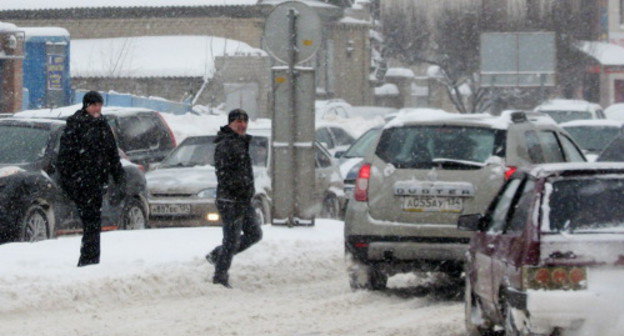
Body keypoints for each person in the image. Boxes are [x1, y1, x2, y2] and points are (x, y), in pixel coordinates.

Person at [57, 91, 125, 267]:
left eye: (99, 105)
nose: (97, 109)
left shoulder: (103, 125)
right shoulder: (75, 125)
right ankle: (88, 259)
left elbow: (112, 154)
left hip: (97, 182)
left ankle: (91, 259)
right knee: (91, 221)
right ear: (86, 106)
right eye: (94, 105)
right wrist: (71, 181)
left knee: (93, 222)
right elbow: (65, 158)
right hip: (82, 182)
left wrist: (118, 177)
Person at [206, 109, 262, 288]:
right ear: (230, 123)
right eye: (238, 121)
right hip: (230, 200)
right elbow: (224, 173)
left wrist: (247, 190)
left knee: (254, 234)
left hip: (243, 200)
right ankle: (220, 277)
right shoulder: (226, 144)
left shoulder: (240, 142)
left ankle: (217, 256)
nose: (242, 125)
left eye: (245, 121)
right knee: (231, 239)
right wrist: (238, 188)